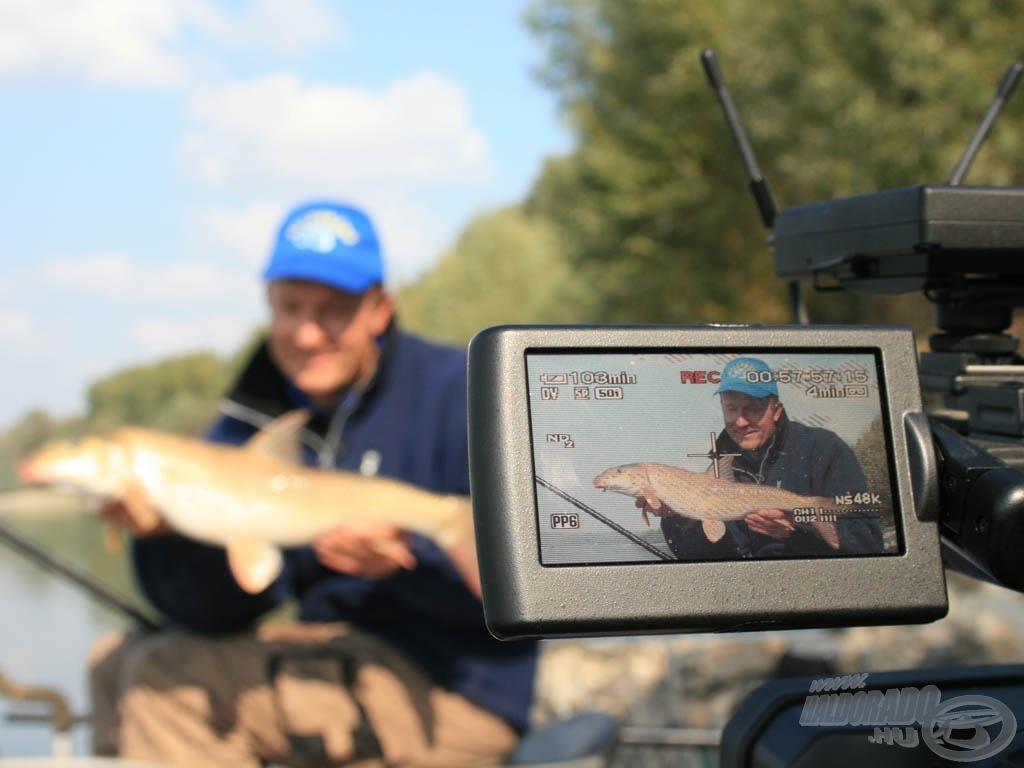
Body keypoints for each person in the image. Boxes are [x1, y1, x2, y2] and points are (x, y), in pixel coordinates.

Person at [89, 200, 537, 767]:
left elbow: (533, 597)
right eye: (290, 307)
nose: (306, 334)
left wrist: (405, 566)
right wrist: (163, 534)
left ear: (379, 311)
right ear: (268, 305)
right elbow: (209, 611)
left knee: (162, 677)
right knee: (111, 660)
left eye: (333, 311)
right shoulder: (251, 418)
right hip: (333, 658)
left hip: (456, 687)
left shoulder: (463, 390)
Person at [655, 356, 884, 560]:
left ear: (776, 410)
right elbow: (707, 554)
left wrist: (796, 530)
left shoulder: (824, 448)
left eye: (752, 408)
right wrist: (677, 514)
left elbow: (868, 541)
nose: (740, 421)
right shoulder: (721, 469)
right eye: (731, 409)